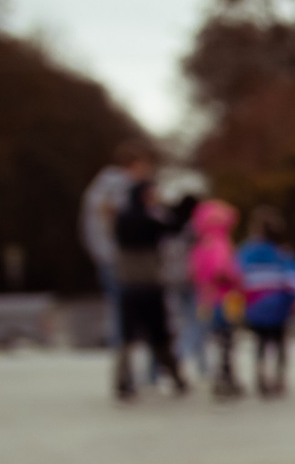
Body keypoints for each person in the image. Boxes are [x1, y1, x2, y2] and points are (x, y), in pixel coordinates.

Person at [110, 176, 197, 400]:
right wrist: (184, 208)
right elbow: (172, 227)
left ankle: (124, 381)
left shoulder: (125, 219)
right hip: (147, 284)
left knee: (134, 338)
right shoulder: (145, 220)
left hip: (132, 285)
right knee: (157, 337)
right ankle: (175, 378)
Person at [80, 141, 153, 352]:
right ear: (135, 164)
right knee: (124, 306)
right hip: (117, 256)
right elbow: (108, 212)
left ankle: (122, 348)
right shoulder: (118, 183)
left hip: (105, 253)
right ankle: (122, 349)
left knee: (118, 304)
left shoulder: (103, 183)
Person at [236, 208, 295, 398]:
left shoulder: (247, 251)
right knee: (280, 343)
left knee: (260, 343)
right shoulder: (283, 252)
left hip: (256, 305)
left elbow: (237, 276)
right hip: (279, 306)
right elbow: (294, 279)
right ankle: (278, 378)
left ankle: (260, 376)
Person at [188, 200, 245, 399]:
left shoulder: (200, 244)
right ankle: (226, 377)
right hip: (226, 298)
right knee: (228, 340)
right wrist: (237, 279)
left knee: (214, 339)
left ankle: (217, 376)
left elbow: (193, 272)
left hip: (205, 299)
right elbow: (223, 271)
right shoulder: (221, 242)